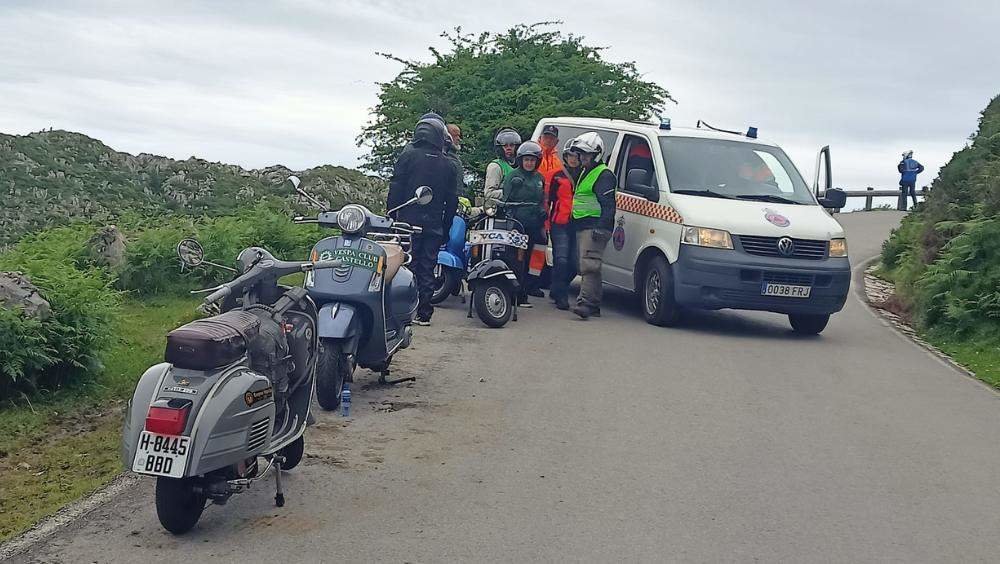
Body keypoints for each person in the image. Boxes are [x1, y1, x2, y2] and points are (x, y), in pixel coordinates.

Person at [386, 117, 458, 326]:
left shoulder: (408, 156)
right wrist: (446, 226)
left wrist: (391, 214)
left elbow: (396, 187)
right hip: (434, 223)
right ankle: (424, 312)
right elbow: (451, 200)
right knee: (427, 266)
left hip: (407, 221)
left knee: (406, 264)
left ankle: (403, 309)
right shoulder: (448, 164)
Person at [567, 132, 616, 319]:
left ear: (597, 153)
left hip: (594, 226)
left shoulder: (603, 175)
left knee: (589, 265)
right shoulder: (586, 172)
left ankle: (586, 303)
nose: (583, 157)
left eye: (586, 154)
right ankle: (593, 304)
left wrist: (601, 227)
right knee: (590, 265)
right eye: (581, 154)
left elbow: (609, 205)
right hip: (583, 225)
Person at [501, 140, 547, 307]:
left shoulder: (539, 178)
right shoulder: (513, 176)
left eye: (532, 160)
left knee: (530, 259)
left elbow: (542, 199)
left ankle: (526, 290)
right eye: (526, 160)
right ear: (521, 160)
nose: (529, 163)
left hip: (534, 224)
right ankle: (514, 294)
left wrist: (542, 211)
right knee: (516, 259)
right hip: (516, 223)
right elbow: (506, 200)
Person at [546, 140, 579, 310]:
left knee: (575, 263)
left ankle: (556, 287)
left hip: (577, 223)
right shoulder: (556, 175)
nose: (573, 159)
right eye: (570, 156)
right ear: (565, 156)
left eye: (576, 156)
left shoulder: (584, 175)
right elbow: (547, 200)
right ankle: (561, 295)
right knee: (561, 259)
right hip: (559, 222)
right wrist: (545, 222)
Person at [484, 128, 521, 203]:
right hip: (501, 208)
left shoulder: (522, 165)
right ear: (500, 148)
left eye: (511, 145)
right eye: (505, 146)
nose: (508, 148)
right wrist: (510, 192)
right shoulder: (496, 166)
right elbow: (488, 194)